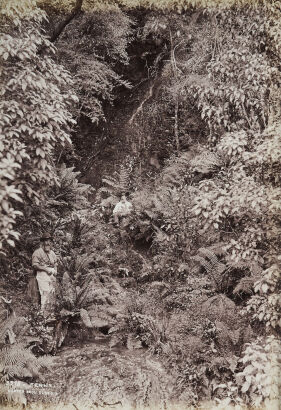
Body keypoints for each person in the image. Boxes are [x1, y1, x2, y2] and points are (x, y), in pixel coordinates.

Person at [32, 232, 57, 317]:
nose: (47, 243)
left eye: (49, 241)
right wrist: (46, 269)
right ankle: (43, 316)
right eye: (45, 241)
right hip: (42, 275)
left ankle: (51, 315)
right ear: (42, 242)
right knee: (45, 294)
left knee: (53, 294)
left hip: (52, 276)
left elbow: (55, 263)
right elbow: (35, 265)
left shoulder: (52, 253)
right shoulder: (37, 252)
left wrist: (55, 270)